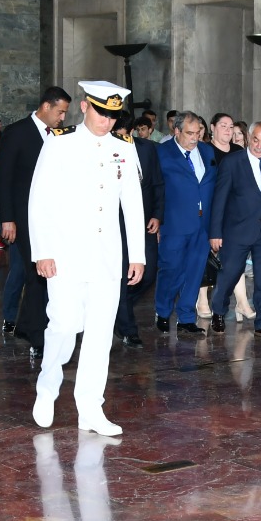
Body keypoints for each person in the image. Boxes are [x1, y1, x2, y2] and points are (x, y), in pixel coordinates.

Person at [29, 81, 145, 435]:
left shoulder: (124, 148)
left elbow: (133, 205)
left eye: (113, 116)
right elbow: (40, 198)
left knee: (99, 336)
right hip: (65, 255)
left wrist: (136, 254)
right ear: (84, 107)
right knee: (63, 325)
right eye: (101, 113)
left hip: (107, 258)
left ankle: (91, 408)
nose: (106, 122)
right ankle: (48, 389)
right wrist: (42, 250)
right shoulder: (60, 142)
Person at [0, 87, 72, 345]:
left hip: (54, 216)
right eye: (60, 111)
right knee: (35, 272)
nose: (62, 118)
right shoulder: (16, 132)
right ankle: (37, 335)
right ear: (46, 106)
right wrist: (7, 218)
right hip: (24, 216)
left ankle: (27, 326)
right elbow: (3, 178)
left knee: (41, 272)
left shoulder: (61, 136)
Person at [209, 121, 261, 337]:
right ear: (248, 138)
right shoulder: (232, 162)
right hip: (237, 231)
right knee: (230, 274)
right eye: (255, 140)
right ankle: (218, 309)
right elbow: (220, 199)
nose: (259, 146)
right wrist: (215, 232)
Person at [154, 111, 217, 335]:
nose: (194, 138)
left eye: (198, 133)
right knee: (172, 270)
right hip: (173, 224)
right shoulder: (162, 153)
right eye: (189, 133)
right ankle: (162, 311)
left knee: (195, 272)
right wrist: (155, 219)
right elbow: (154, 189)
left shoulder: (208, 151)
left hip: (202, 225)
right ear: (176, 131)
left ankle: (187, 317)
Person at [114, 111, 164, 348]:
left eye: (122, 135)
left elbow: (157, 184)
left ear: (132, 132)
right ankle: (127, 328)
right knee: (123, 275)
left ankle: (116, 307)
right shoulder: (106, 149)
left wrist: (157, 215)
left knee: (149, 274)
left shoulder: (147, 149)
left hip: (144, 223)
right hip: (115, 223)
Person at [197, 113, 252, 322]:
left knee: (234, 259)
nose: (228, 130)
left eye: (231, 126)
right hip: (210, 209)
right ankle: (202, 299)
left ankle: (242, 301)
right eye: (223, 126)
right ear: (212, 128)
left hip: (234, 212)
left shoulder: (239, 151)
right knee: (205, 255)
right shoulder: (204, 150)